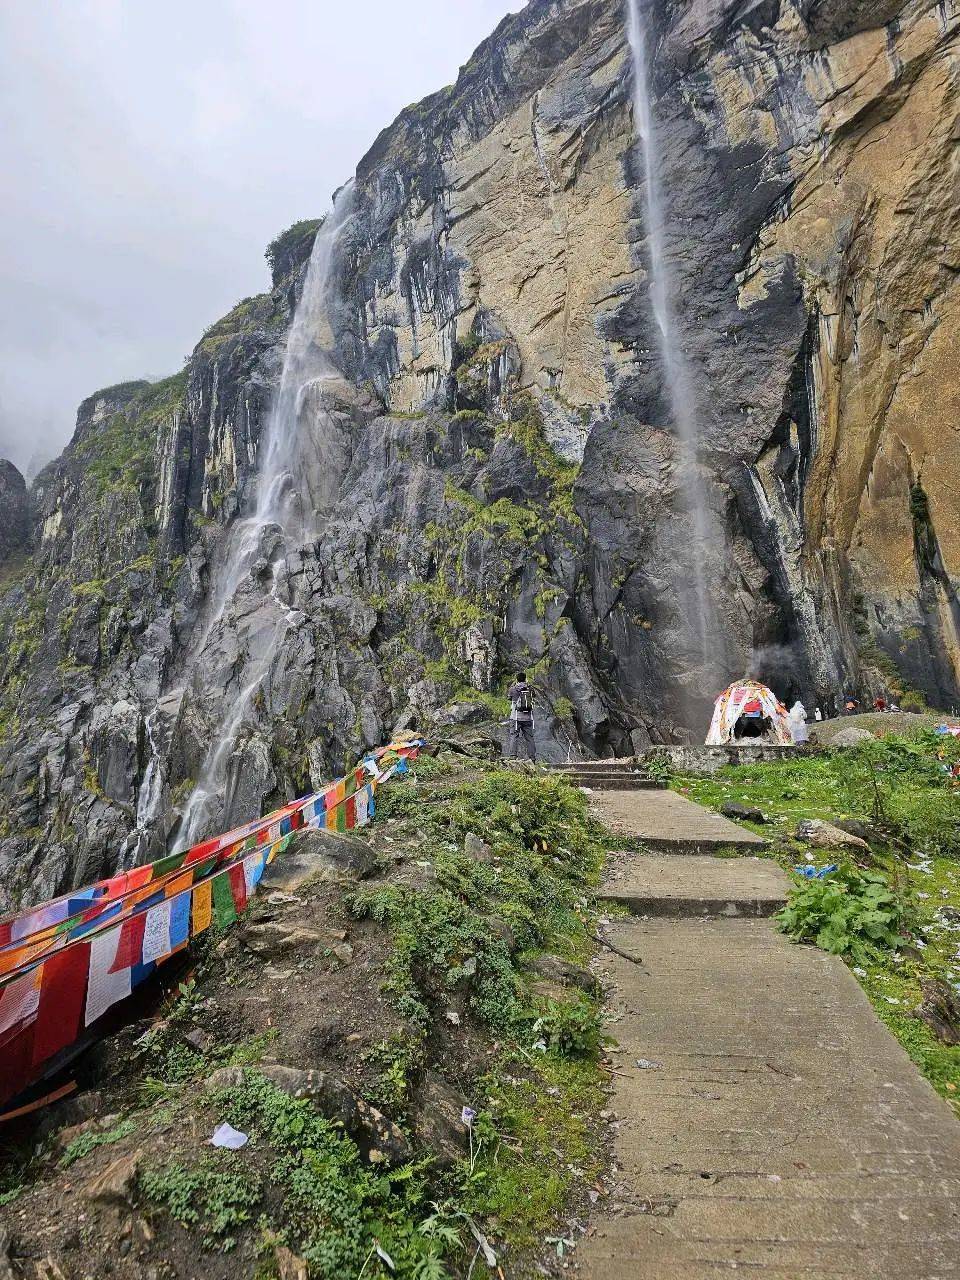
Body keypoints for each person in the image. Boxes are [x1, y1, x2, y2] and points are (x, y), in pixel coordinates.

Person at [507, 670, 537, 762]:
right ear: (525, 679)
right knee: (529, 738)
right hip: (528, 717)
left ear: (517, 679)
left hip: (515, 717)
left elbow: (509, 698)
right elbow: (534, 696)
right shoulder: (530, 688)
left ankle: (513, 756)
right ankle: (532, 758)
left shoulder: (513, 689)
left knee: (514, 736)